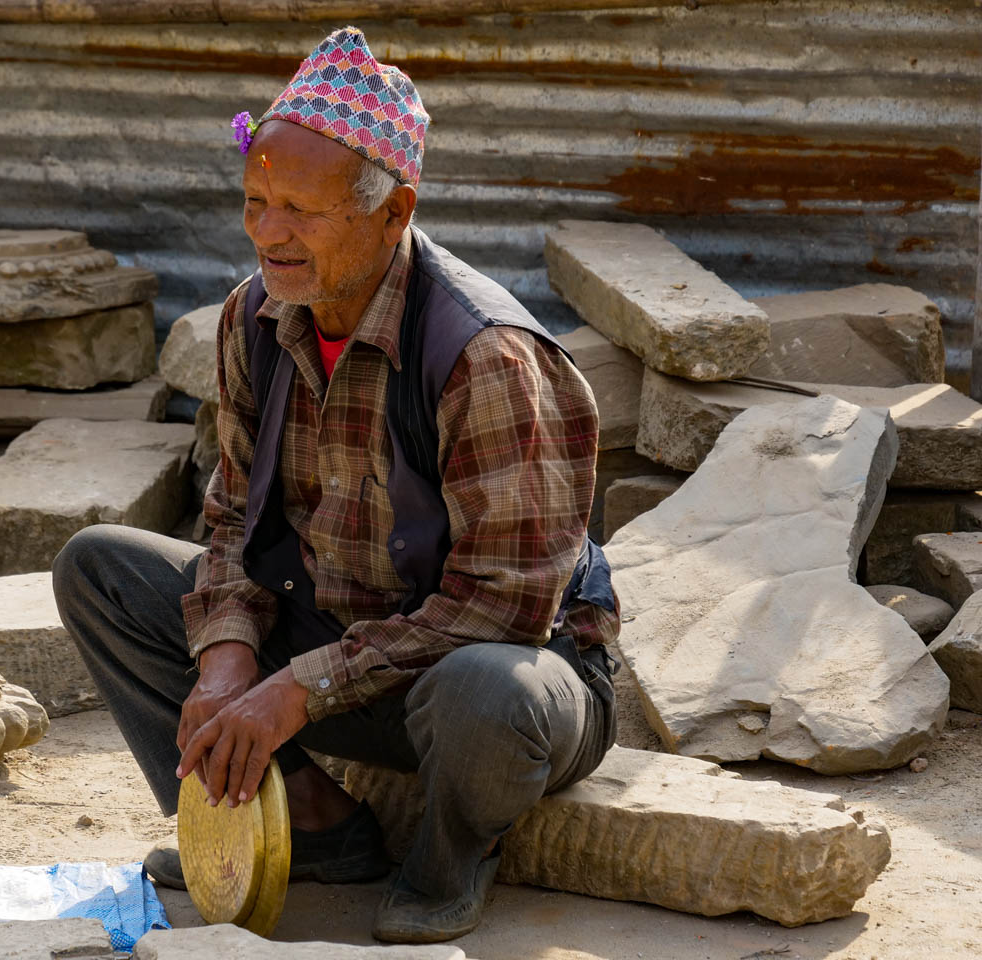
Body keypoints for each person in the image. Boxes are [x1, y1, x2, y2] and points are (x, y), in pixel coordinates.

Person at [52, 25, 620, 945]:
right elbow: (235, 514)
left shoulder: (484, 357)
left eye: (302, 211)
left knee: (490, 693)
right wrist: (230, 654)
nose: (268, 233)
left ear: (394, 214)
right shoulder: (255, 316)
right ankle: (314, 823)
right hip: (341, 650)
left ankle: (450, 857)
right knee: (100, 571)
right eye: (255, 201)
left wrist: (296, 693)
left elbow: (504, 609)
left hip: (485, 673)